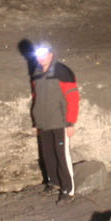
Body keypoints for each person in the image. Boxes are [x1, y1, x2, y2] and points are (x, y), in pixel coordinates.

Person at [28, 42, 79, 200]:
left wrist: (70, 123)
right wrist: (37, 121)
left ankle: (68, 190)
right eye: (38, 55)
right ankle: (54, 182)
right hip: (44, 123)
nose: (41, 58)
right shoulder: (36, 73)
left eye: (44, 54)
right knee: (48, 154)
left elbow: (73, 99)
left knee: (62, 156)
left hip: (60, 122)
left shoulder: (62, 72)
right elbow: (37, 98)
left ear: (51, 54)